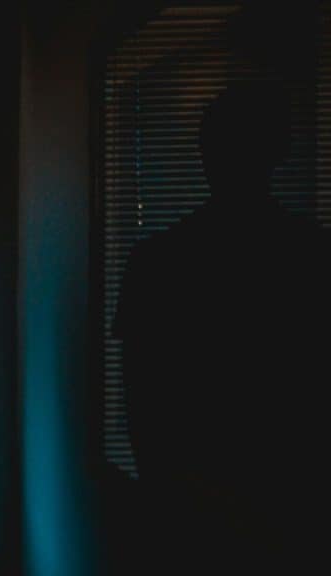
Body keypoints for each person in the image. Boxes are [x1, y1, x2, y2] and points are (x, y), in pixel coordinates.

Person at [113, 79, 330, 574]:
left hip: (197, 506)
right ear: (280, 152)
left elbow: (142, 400)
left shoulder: (158, 261)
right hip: (289, 501)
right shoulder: (313, 256)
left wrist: (163, 494)